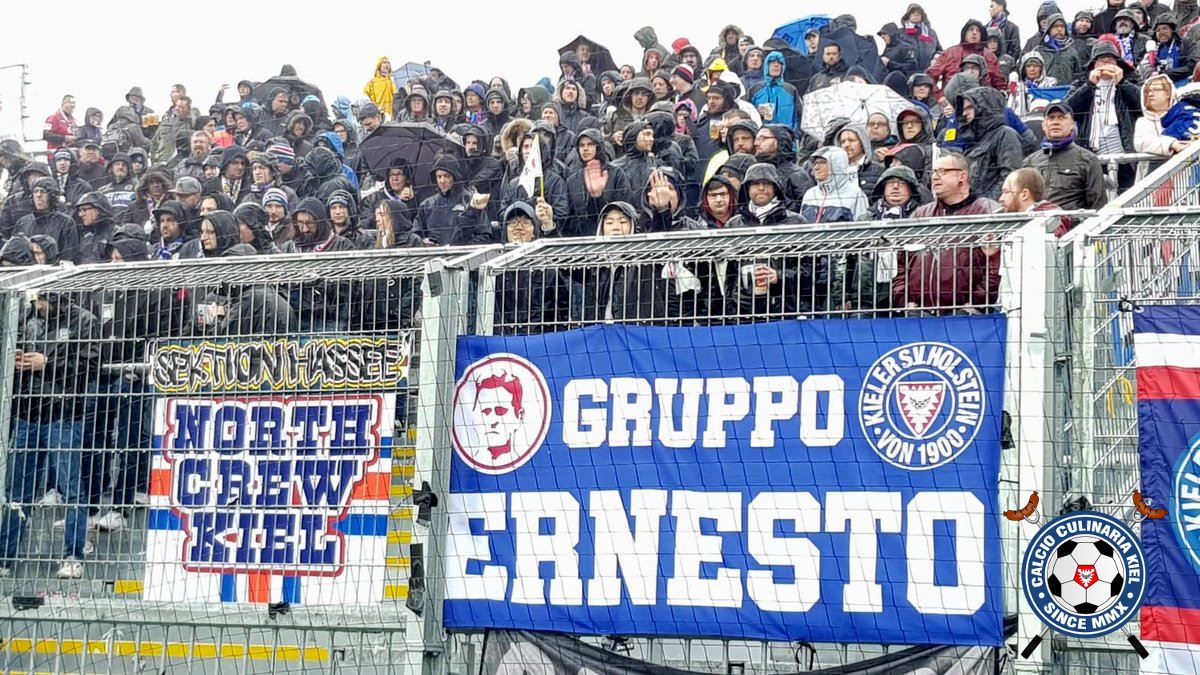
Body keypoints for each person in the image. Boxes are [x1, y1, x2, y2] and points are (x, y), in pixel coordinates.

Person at [0, 284, 99, 579]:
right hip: (28, 414)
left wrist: (48, 363)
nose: (36, 303)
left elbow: (91, 366)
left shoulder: (83, 320)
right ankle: (5, 555)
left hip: (64, 415)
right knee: (17, 490)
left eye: (40, 298)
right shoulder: (29, 322)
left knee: (71, 490)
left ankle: (73, 554)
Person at [893, 152, 1001, 313]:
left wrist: (976, 304)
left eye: (942, 171)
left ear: (962, 177)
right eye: (934, 172)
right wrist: (905, 301)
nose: (935, 177)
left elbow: (995, 263)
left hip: (967, 318)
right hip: (919, 315)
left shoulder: (987, 211)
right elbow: (900, 261)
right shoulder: (921, 214)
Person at [1065, 42, 1143, 188]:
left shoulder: (1131, 82)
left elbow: (1144, 106)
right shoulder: (1080, 85)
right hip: (1093, 159)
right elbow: (1067, 111)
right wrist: (1090, 85)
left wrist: (1122, 82)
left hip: (1125, 157)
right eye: (1101, 60)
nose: (1106, 64)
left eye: (1110, 60)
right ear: (1093, 65)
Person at [1023, 101, 1107, 210]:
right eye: (1051, 118)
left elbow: (1098, 205)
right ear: (1043, 125)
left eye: (1061, 118)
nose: (1055, 122)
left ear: (1072, 123)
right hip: (1034, 224)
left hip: (1074, 225)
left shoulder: (1087, 159)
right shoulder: (1029, 162)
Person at [956, 87, 1023, 199]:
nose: (964, 113)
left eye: (969, 108)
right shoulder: (974, 140)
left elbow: (1011, 176)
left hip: (994, 210)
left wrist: (987, 205)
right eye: (963, 109)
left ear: (984, 107)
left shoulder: (1005, 134)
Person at [565, 129, 632, 237]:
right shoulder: (572, 180)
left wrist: (597, 197)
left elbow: (625, 206)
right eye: (582, 145)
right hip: (582, 240)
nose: (585, 149)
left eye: (590, 144)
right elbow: (570, 217)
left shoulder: (616, 174)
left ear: (599, 147)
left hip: (613, 236)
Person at [414, 157, 492, 245]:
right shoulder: (426, 205)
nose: (442, 180)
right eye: (439, 177)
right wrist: (423, 243)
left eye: (446, 176)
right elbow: (415, 235)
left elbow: (485, 235)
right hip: (434, 256)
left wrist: (461, 246)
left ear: (455, 177)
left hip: (464, 255)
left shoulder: (472, 200)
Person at [927, 19, 1007, 100]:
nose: (974, 33)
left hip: (982, 104)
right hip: (952, 103)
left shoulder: (990, 56)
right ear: (964, 33)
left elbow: (999, 83)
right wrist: (940, 96)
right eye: (971, 29)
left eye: (978, 31)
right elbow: (930, 76)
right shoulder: (949, 53)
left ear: (982, 35)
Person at [15, 179, 79, 263]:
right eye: (35, 191)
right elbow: (15, 252)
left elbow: (69, 256)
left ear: (52, 196)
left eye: (43, 191)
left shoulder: (65, 222)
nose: (38, 195)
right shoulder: (23, 222)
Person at [800, 146, 869, 223]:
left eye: (822, 163)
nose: (816, 168)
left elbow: (863, 228)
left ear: (837, 165)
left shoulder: (855, 194)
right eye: (815, 163)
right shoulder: (810, 194)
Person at [999, 167, 1075, 237]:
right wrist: (993, 251)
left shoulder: (1048, 223)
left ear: (1024, 195)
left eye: (1006, 192)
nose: (1000, 198)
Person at [1135, 74, 1199, 156]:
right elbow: (1141, 143)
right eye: (1148, 92)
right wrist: (1172, 144)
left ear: (1168, 93)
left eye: (1156, 89)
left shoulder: (1185, 113)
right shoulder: (1143, 121)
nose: (1150, 94)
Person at [1035, 14, 1085, 85]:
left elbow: (1078, 75)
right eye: (1055, 26)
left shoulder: (1072, 51)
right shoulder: (1038, 51)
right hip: (1045, 92)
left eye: (1062, 26)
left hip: (1068, 92)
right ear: (1049, 28)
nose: (1059, 29)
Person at [1149, 13, 1199, 83]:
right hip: (1160, 85)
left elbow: (1192, 67)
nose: (1161, 32)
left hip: (1184, 83)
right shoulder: (1154, 48)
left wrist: (1164, 74)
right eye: (1158, 30)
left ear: (1173, 29)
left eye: (1165, 28)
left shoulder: (1187, 43)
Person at [837, 125, 885, 195]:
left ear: (863, 142)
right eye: (843, 142)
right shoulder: (835, 173)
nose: (846, 145)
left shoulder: (878, 171)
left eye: (851, 140)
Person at [900, 4, 942, 71]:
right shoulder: (900, 33)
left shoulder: (931, 33)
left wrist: (936, 57)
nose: (916, 14)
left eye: (919, 13)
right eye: (913, 12)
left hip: (928, 73)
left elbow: (939, 50)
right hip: (906, 73)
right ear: (907, 16)